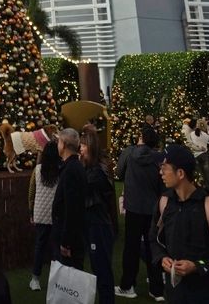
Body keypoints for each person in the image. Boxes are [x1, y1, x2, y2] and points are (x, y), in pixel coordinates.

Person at [150, 144, 209, 303]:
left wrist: (197, 266)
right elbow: (154, 239)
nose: (160, 172)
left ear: (180, 173)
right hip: (175, 294)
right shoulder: (164, 204)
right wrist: (161, 258)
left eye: (164, 168)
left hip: (208, 295)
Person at [115, 125, 164, 301]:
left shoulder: (129, 152)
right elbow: (162, 183)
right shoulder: (159, 158)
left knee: (131, 247)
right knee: (154, 246)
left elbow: (119, 172)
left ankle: (128, 285)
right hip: (152, 208)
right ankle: (157, 289)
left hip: (134, 207)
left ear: (141, 138)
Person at [80, 125, 115, 304]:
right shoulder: (91, 168)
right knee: (98, 267)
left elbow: (83, 188)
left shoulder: (96, 171)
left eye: (83, 145)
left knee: (102, 270)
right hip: (93, 223)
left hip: (98, 225)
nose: (80, 148)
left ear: (91, 147)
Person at [51, 128, 86, 270]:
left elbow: (72, 208)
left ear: (64, 144)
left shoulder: (71, 170)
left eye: (59, 141)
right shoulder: (73, 166)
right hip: (71, 234)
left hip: (69, 237)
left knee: (68, 276)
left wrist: (66, 241)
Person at [28, 140, 60, 291]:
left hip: (40, 213)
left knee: (39, 246)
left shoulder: (37, 169)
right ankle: (56, 281)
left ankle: (35, 279)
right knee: (55, 249)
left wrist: (30, 212)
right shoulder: (61, 169)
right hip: (55, 214)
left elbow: (31, 192)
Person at [189, 118, 209, 195]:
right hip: (204, 156)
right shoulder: (206, 136)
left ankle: (198, 193)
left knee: (199, 176)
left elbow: (190, 144)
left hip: (195, 157)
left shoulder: (192, 134)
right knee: (207, 177)